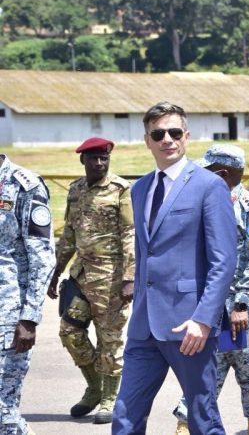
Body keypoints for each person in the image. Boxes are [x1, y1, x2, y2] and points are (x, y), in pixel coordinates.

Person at [112, 102, 237, 434]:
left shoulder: (209, 186)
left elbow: (223, 261)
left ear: (186, 137)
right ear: (147, 140)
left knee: (201, 416)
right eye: (158, 133)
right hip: (143, 327)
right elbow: (144, 254)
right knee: (124, 416)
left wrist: (204, 319)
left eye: (174, 132)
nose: (167, 139)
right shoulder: (139, 189)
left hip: (189, 326)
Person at [173, 145, 249, 435]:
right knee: (202, 370)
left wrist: (240, 305)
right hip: (207, 308)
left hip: (242, 312)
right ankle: (185, 425)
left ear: (222, 173)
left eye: (207, 171)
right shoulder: (202, 204)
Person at [46, 137, 133, 424]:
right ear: (82, 160)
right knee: (69, 332)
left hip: (112, 279)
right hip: (82, 277)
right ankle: (95, 386)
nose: (99, 163)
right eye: (93, 158)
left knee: (110, 340)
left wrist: (130, 278)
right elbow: (69, 234)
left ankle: (110, 398)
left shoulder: (120, 190)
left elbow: (130, 235)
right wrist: (57, 271)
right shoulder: (75, 190)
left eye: (103, 158)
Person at [0, 155, 55, 435]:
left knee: (3, 413)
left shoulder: (24, 186)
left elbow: (43, 257)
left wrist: (29, 318)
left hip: (8, 316)